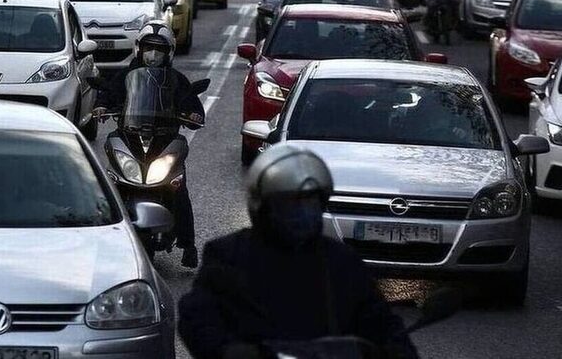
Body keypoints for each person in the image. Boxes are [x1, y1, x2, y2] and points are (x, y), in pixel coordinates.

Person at [179, 145, 418, 359]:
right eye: (291, 204)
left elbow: (382, 323)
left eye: (311, 203)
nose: (303, 213)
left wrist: (396, 350)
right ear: (264, 207)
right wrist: (230, 350)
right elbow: (197, 317)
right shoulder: (230, 256)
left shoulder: (342, 261)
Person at [93, 23, 205, 268]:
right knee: (108, 186)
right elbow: (107, 95)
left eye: (159, 49)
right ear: (139, 49)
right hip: (130, 138)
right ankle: (100, 236)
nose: (153, 54)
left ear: (169, 52)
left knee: (179, 189)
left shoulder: (177, 80)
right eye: (148, 48)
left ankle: (188, 245)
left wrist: (194, 115)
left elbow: (193, 106)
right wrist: (101, 106)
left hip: (164, 141)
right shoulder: (124, 76)